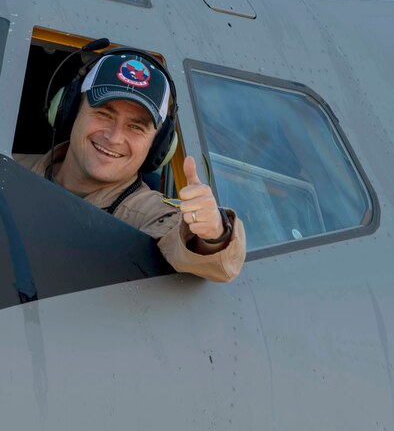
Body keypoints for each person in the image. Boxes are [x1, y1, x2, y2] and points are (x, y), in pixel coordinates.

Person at [15, 49, 245, 282]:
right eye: (104, 113)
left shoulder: (147, 214)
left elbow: (197, 252)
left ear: (158, 147)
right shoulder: (8, 168)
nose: (114, 137)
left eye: (136, 127)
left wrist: (213, 235)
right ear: (69, 110)